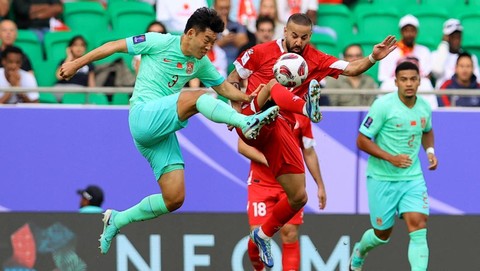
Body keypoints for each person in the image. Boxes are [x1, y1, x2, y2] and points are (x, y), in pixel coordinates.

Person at [59, 7, 280, 255]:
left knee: (174, 198)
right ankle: (244, 123)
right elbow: (113, 46)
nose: (209, 47)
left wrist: (247, 96)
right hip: (143, 117)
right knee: (195, 97)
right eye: (207, 40)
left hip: (160, 134)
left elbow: (224, 89)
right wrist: (77, 63)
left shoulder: (200, 63)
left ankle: (117, 220)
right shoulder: (158, 41)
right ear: (191, 33)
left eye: (213, 42)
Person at [228, 13, 396, 267]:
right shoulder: (260, 52)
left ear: (310, 37)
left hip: (281, 128)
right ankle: (306, 108)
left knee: (299, 197)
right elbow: (233, 78)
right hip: (254, 119)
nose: (298, 41)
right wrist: (234, 111)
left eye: (304, 37)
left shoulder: (315, 58)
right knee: (274, 84)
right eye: (294, 35)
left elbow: (350, 68)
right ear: (284, 31)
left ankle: (262, 236)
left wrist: (372, 57)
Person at [350, 61, 438, 271]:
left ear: (420, 81)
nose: (409, 83)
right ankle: (360, 251)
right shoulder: (383, 106)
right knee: (382, 234)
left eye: (413, 79)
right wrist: (390, 158)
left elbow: (427, 130)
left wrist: (430, 152)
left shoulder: (425, 107)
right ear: (396, 81)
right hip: (382, 178)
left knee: (418, 224)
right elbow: (362, 140)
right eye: (404, 79)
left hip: (412, 177)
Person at [239, 113, 326, 271]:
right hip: (261, 183)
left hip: (290, 185)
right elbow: (242, 145)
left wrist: (320, 184)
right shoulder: (263, 109)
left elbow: (308, 151)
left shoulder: (301, 113)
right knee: (257, 234)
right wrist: (271, 160)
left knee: (290, 232)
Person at [378, 14, 432, 83]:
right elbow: (384, 78)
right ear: (401, 32)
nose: (409, 34)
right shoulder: (390, 51)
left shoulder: (424, 51)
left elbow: (426, 77)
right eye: (406, 30)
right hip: (394, 85)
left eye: (412, 30)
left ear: (416, 32)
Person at [431, 18, 480, 88]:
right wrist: (444, 44)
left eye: (458, 36)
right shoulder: (436, 55)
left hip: (465, 95)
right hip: (443, 96)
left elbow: (477, 81)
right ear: (446, 37)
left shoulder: (470, 58)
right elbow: (437, 71)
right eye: (452, 37)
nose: (456, 40)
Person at [214, 0, 249, 66]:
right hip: (216, 65)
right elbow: (208, 47)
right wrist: (223, 41)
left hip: (234, 64)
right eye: (221, 8)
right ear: (215, 7)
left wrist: (227, 35)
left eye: (227, 8)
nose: (224, 11)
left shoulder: (237, 25)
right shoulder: (210, 26)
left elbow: (244, 44)